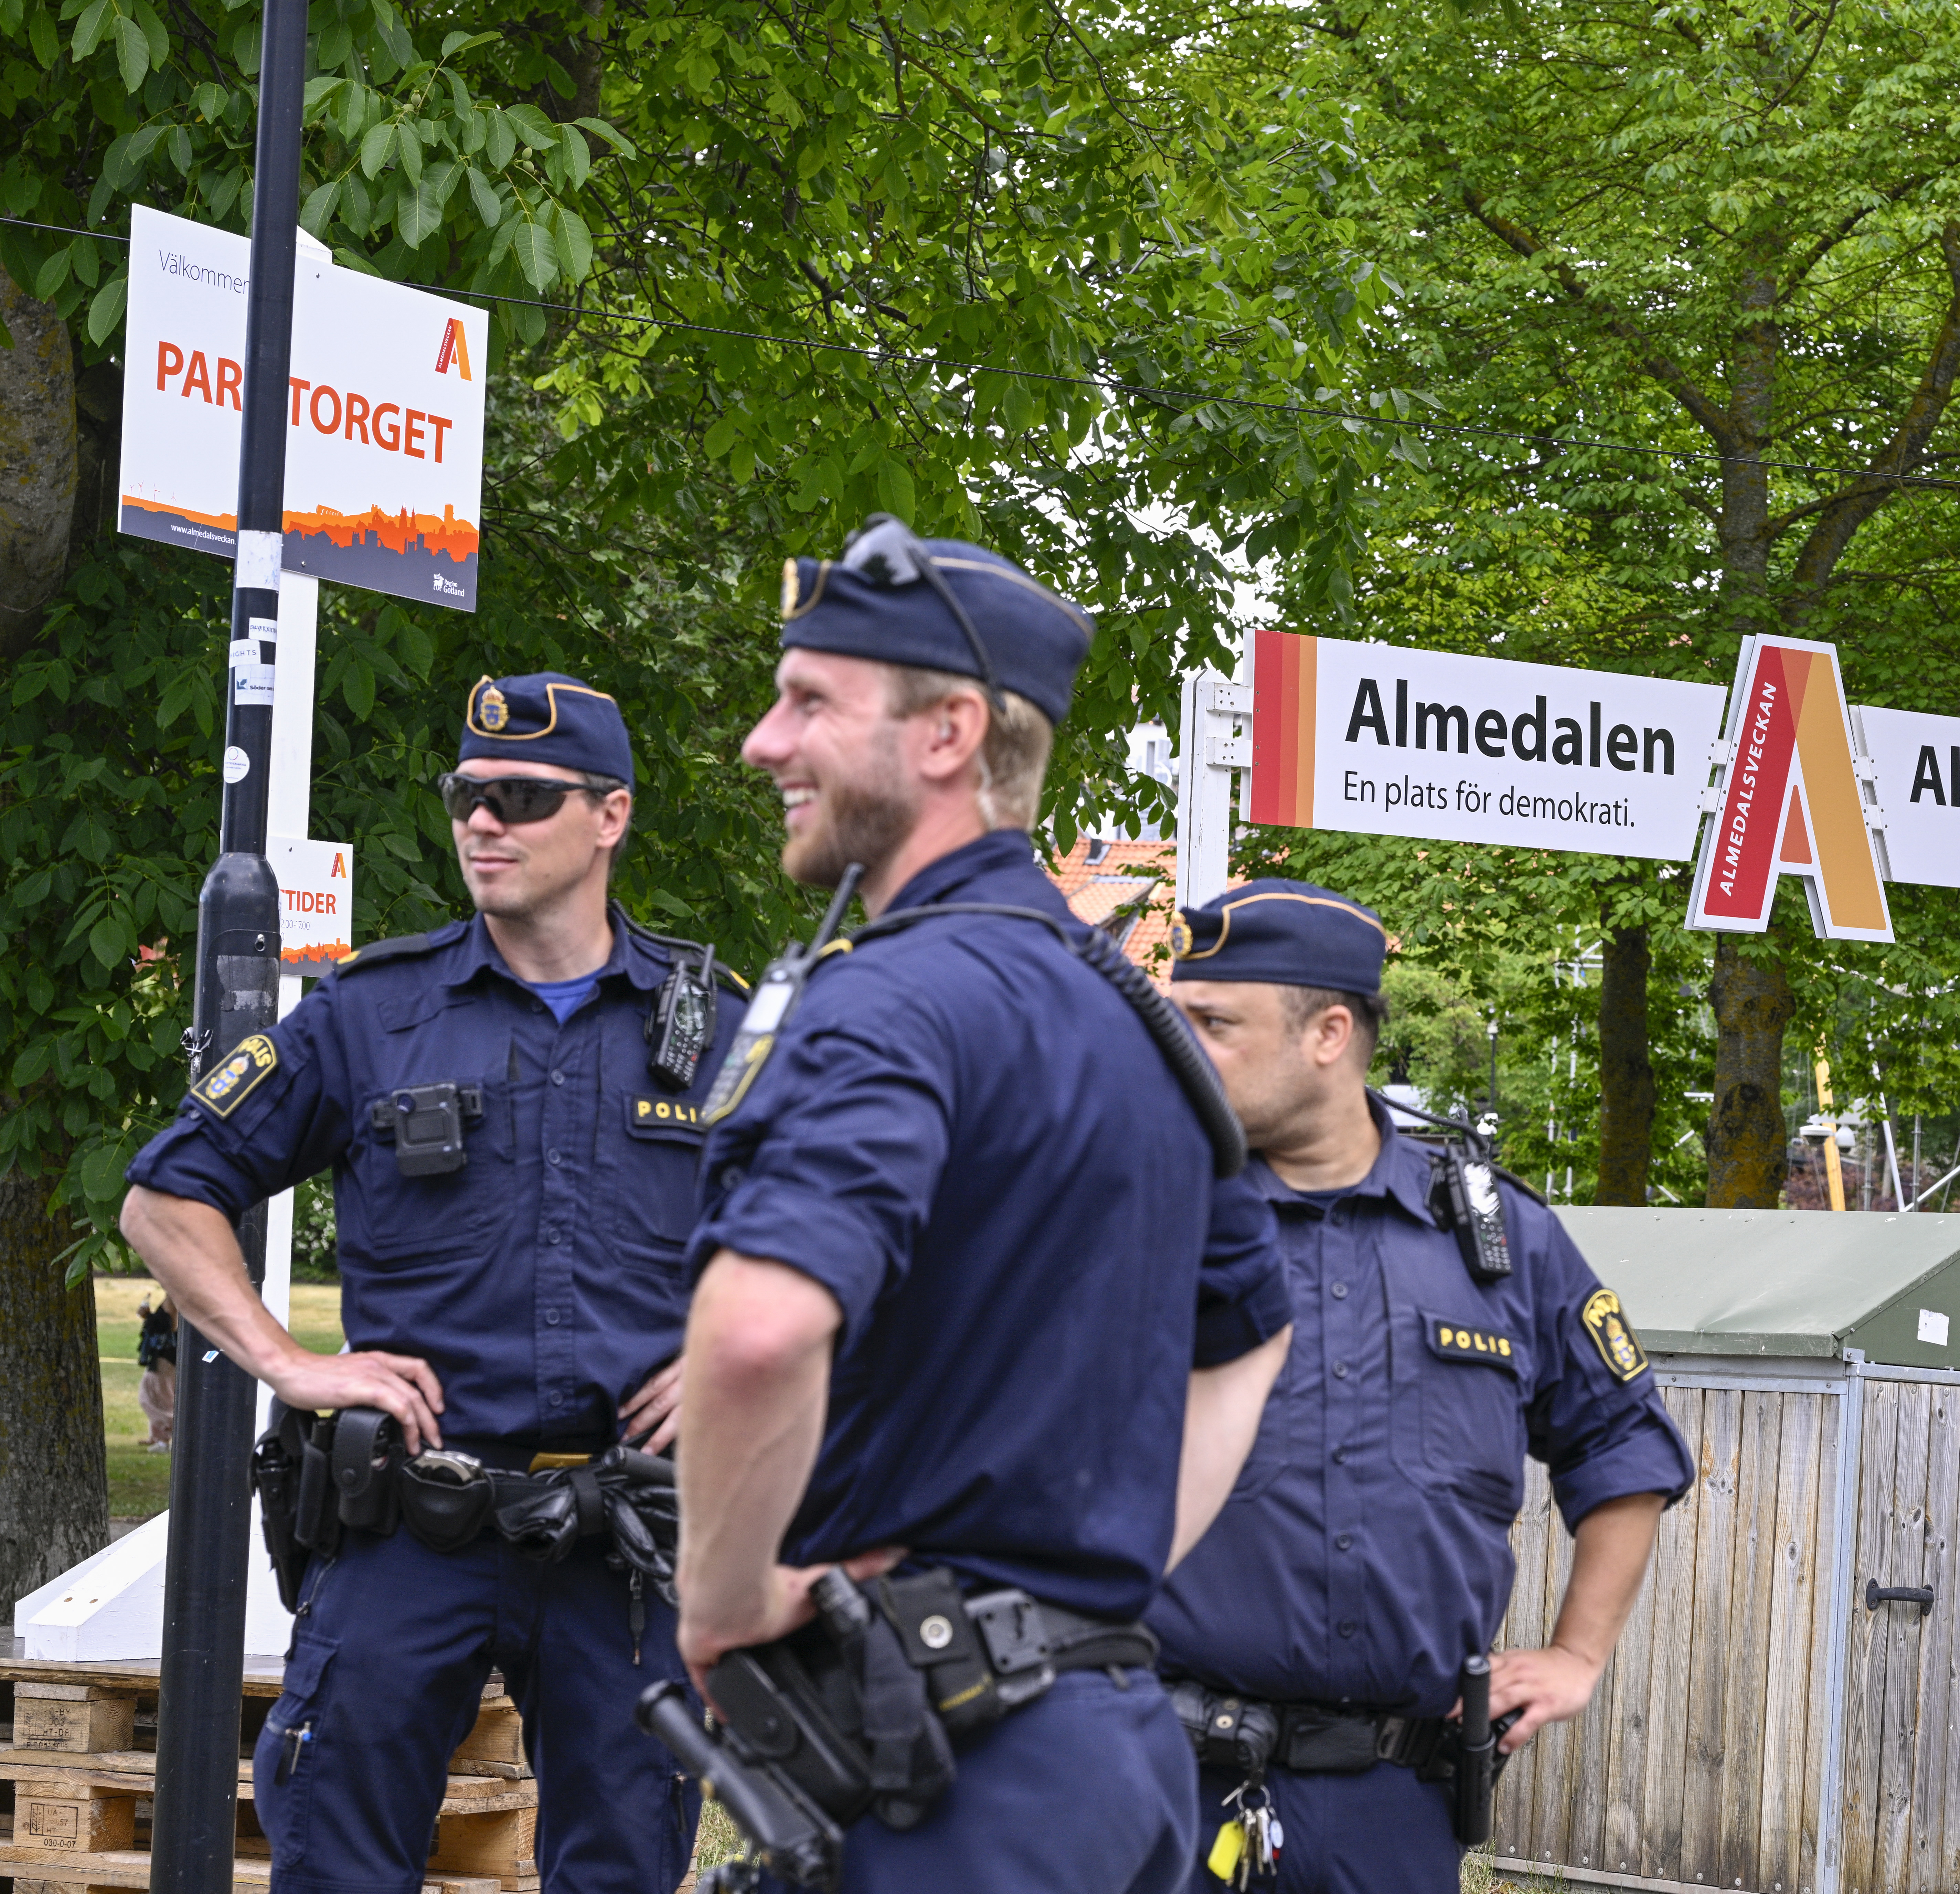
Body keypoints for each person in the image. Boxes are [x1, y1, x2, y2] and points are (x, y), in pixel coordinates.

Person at [673, 521, 1296, 1894]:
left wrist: (721, 1605)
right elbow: (1252, 1331)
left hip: (959, 1779)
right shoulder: (1141, 1022)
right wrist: (1086, 1575)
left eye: (810, 702)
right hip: (1110, 1755)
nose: (762, 744)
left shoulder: (888, 999)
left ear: (949, 732)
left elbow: (760, 1331)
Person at [118, 674, 750, 1894]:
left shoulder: (717, 1030)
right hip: (415, 1524)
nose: (483, 823)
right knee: (338, 1862)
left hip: (625, 1542)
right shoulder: (372, 1013)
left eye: (521, 797)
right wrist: (291, 1362)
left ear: (610, 815)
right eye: (468, 794)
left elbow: (860, 1228)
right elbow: (166, 1197)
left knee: (621, 1867)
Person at [1151, 879, 1695, 1894]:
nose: (1180, 1048)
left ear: (1329, 1032)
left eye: (1215, 1023)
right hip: (1166, 1785)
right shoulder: (1148, 1215)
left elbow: (1622, 1444)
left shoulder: (1496, 1242)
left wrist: (1578, 1653)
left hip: (1392, 1810)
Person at [134, 1292, 177, 1449]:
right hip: (162, 1355)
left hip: (166, 1357)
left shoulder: (175, 1297)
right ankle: (158, 1437)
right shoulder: (171, 1297)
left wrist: (148, 1317)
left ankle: (171, 1435)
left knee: (151, 1397)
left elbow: (173, 1327)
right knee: (157, 1396)